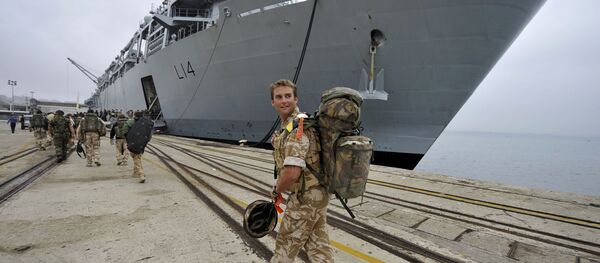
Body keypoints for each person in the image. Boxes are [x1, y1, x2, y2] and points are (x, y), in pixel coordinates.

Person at [268, 79, 333, 262]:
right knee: (319, 248)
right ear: (273, 102)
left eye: (288, 96)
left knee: (284, 247)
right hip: (317, 195)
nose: (284, 101)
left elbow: (292, 172)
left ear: (296, 99)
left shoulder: (299, 127)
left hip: (305, 198)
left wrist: (276, 191)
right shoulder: (290, 126)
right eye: (279, 97)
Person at [122, 111, 151, 183]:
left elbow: (124, 131)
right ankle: (135, 172)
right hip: (141, 143)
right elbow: (149, 134)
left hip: (132, 142)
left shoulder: (130, 122)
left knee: (136, 157)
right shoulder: (146, 123)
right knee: (137, 157)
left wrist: (128, 139)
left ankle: (141, 174)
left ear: (134, 115)